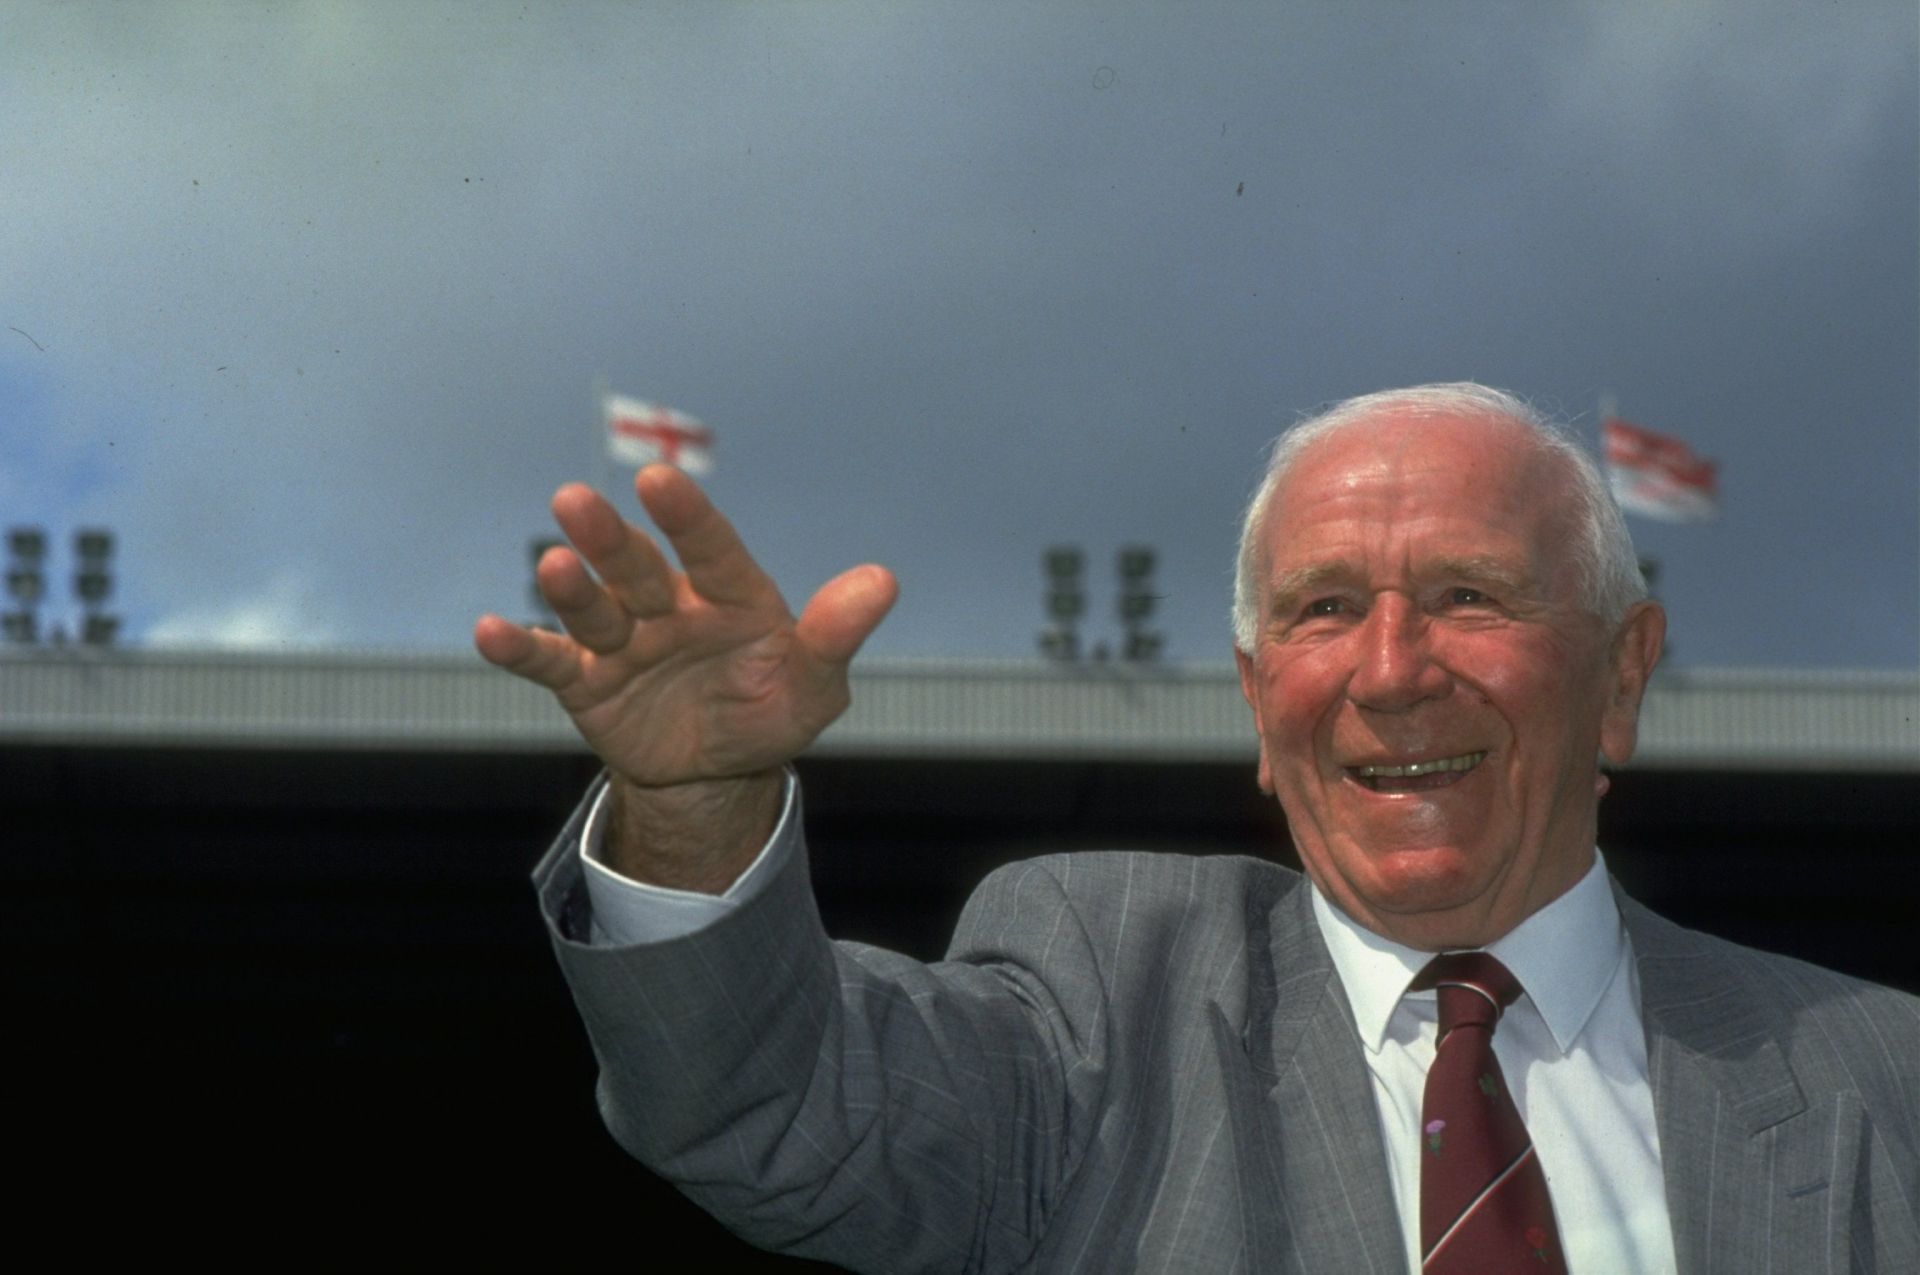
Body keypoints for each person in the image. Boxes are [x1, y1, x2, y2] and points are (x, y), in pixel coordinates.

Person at [476, 383, 1917, 1273]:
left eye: (1472, 596)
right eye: (1325, 609)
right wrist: (696, 804)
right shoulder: (1099, 997)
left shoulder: (1886, 1083)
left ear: (1621, 676)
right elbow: (770, 1110)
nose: (1394, 668)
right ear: (1256, 700)